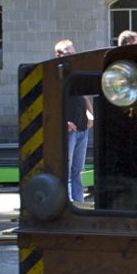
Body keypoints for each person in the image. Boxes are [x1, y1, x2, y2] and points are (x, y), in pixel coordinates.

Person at [54, 39, 93, 203]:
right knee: (67, 169)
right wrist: (63, 122)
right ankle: (68, 203)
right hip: (69, 130)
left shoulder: (75, 75)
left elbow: (84, 96)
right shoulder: (54, 77)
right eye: (69, 54)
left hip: (82, 129)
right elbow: (51, 104)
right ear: (58, 55)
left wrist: (91, 115)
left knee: (77, 170)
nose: (72, 57)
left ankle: (79, 203)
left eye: (73, 53)